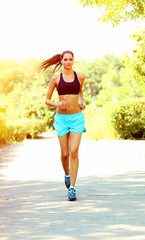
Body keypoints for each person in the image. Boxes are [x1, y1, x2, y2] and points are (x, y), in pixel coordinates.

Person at [39, 50, 86, 201]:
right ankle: (67, 174)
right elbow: (47, 100)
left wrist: (81, 102)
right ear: (61, 61)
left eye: (70, 59)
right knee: (65, 154)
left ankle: (72, 187)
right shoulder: (55, 79)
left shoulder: (80, 76)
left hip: (77, 118)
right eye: (65, 59)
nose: (68, 62)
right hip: (61, 119)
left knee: (74, 152)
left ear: (73, 60)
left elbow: (79, 91)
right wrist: (57, 104)